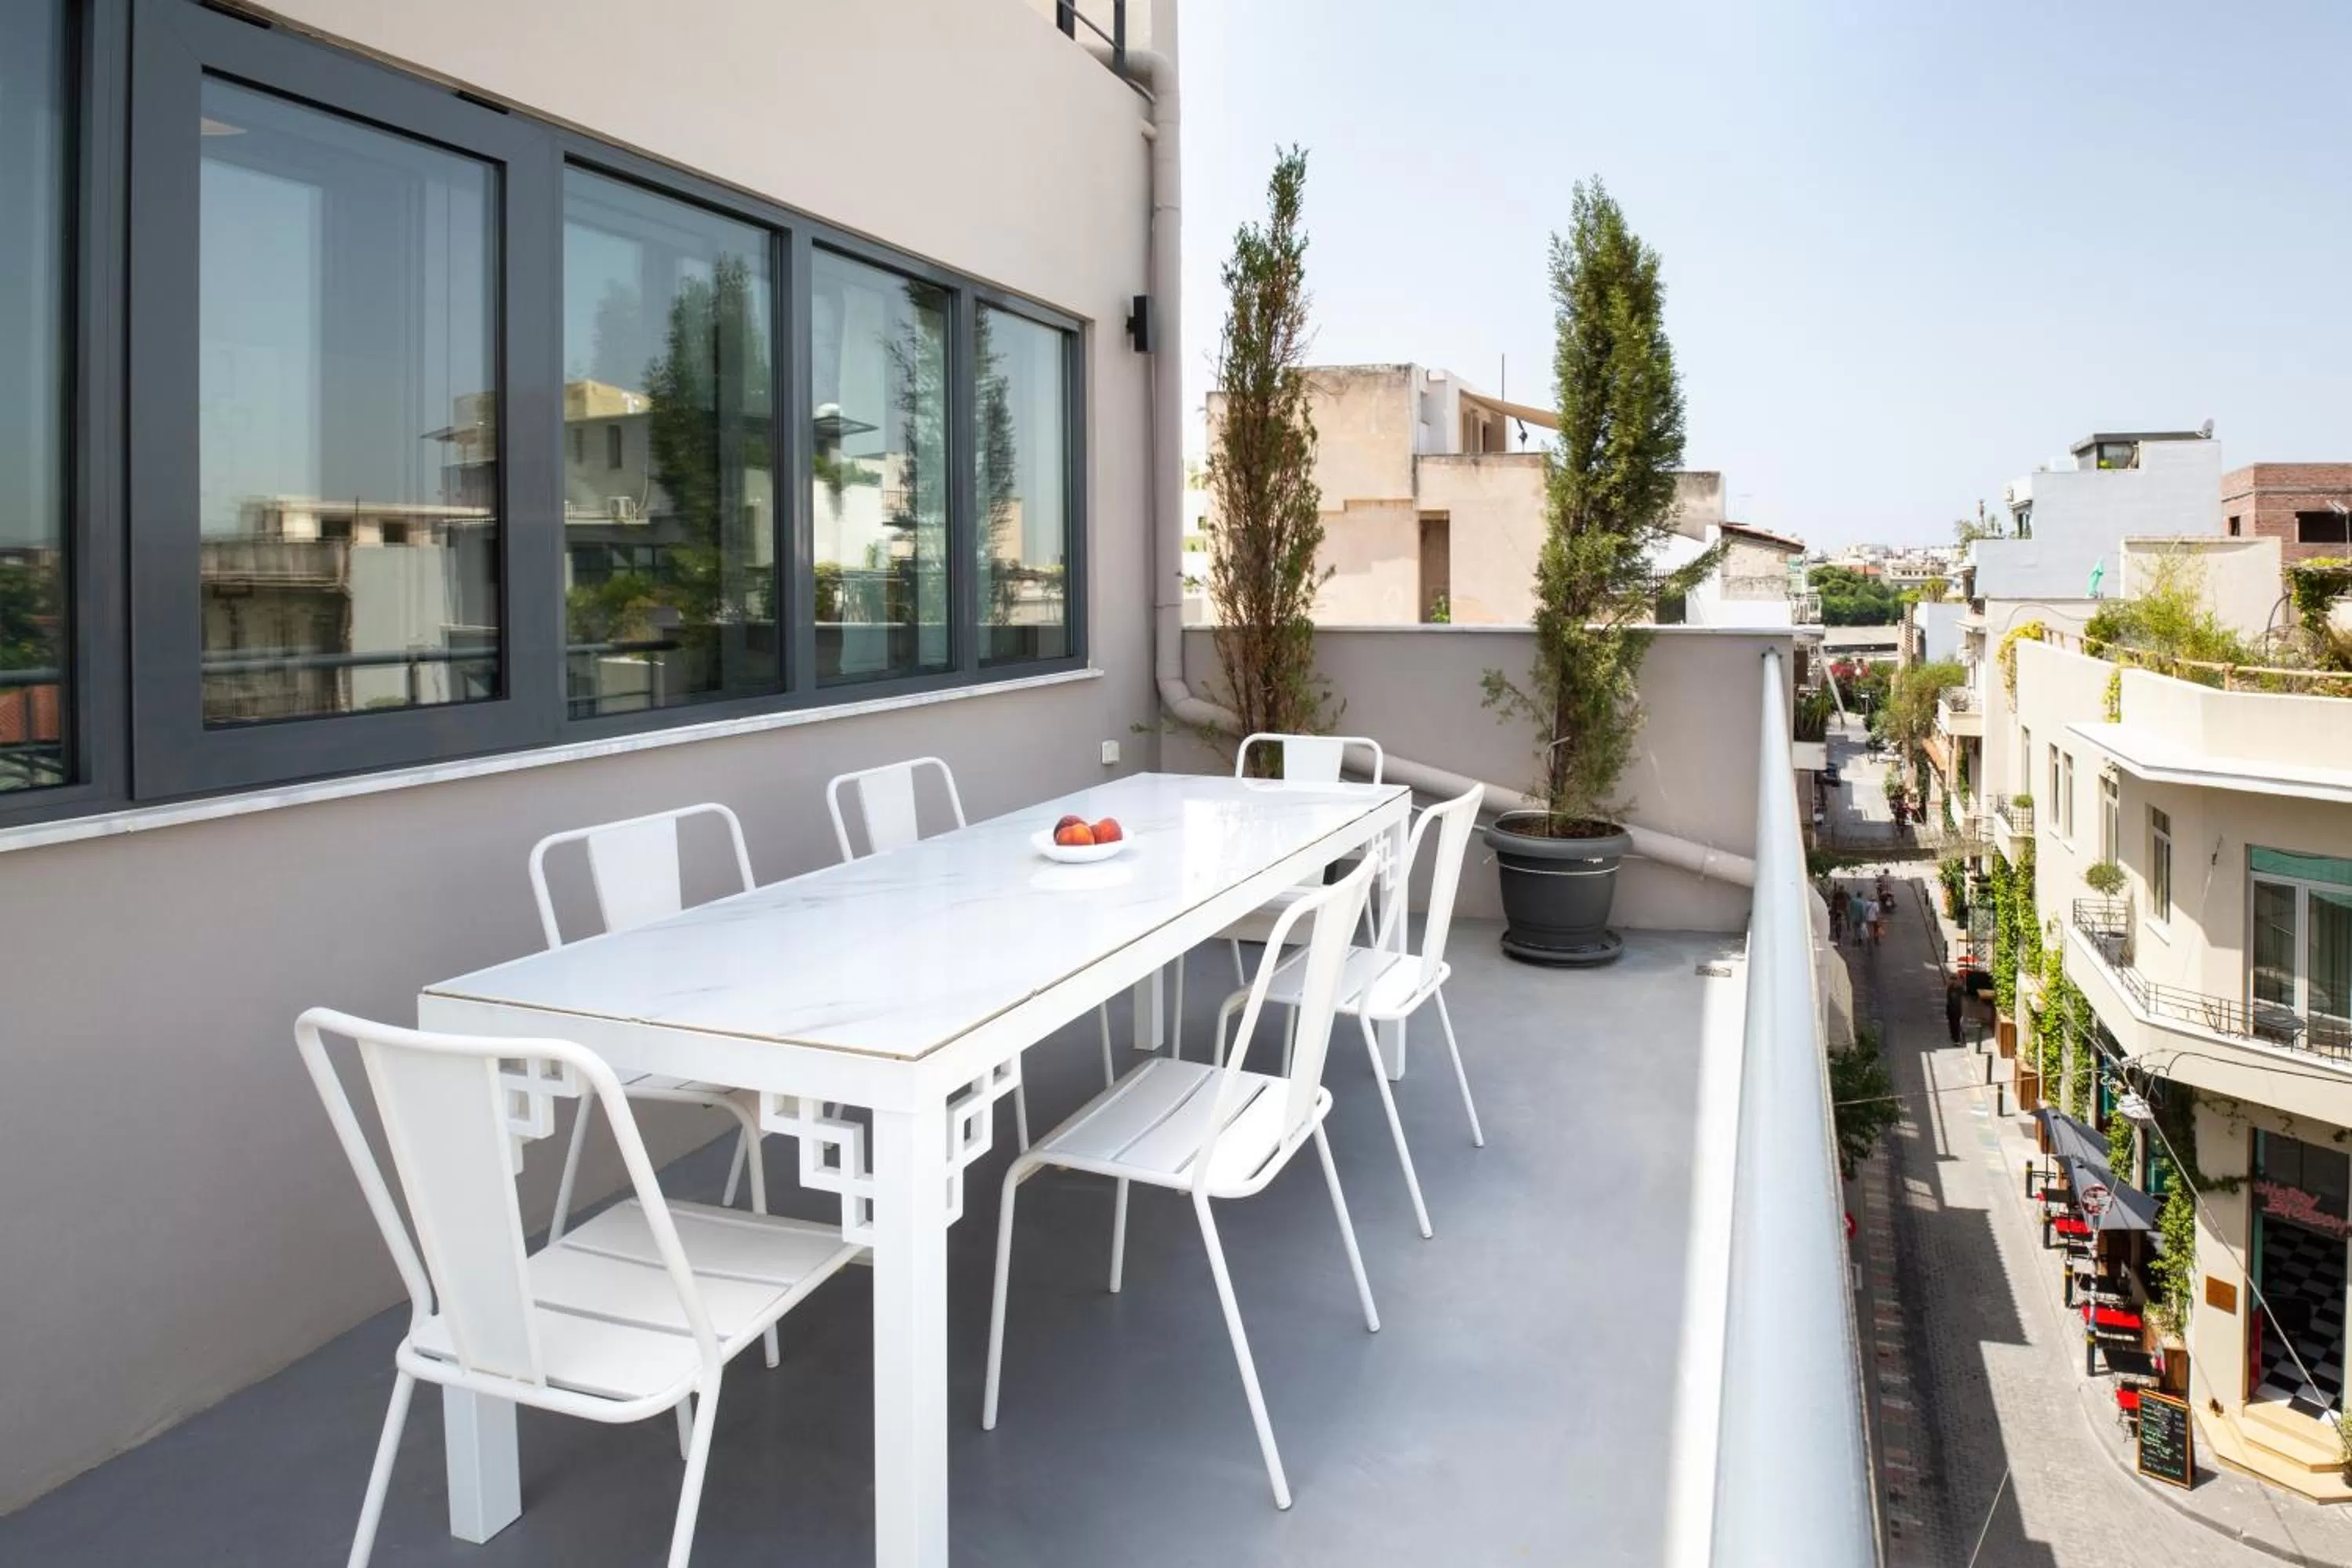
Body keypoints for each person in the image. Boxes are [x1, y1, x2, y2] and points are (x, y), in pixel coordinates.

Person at [1945, 978, 1965, 1044]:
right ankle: (1955, 1038)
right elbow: (1949, 1000)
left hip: (1955, 1010)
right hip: (1953, 1009)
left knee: (1955, 1024)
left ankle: (1956, 1038)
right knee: (1954, 1024)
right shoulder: (1951, 989)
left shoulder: (1958, 989)